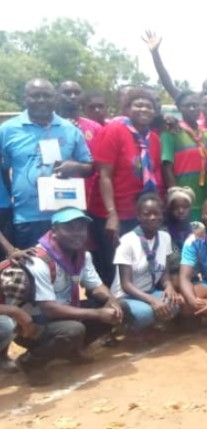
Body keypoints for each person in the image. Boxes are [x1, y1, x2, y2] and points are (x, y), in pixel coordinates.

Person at [15, 208, 125, 386]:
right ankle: (32, 362)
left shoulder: (83, 255)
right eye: (70, 228)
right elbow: (49, 309)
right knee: (73, 330)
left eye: (81, 228)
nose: (77, 234)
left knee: (118, 308)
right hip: (31, 323)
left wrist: (111, 301)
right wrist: (98, 314)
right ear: (54, 231)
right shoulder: (39, 260)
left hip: (64, 312)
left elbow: (96, 286)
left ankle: (71, 351)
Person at [0, 78, 93, 249]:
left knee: (70, 270)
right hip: (28, 217)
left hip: (67, 215)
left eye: (46, 95)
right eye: (36, 95)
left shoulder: (70, 129)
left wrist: (76, 167)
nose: (41, 100)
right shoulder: (7, 130)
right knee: (33, 270)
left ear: (55, 98)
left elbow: (89, 167)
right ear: (25, 98)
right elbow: (4, 169)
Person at [89, 88, 164, 284]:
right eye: (138, 105)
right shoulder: (113, 131)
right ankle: (110, 309)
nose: (144, 109)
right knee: (112, 266)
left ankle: (134, 307)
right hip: (114, 214)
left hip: (139, 214)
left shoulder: (153, 139)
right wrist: (111, 215)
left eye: (149, 106)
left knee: (136, 264)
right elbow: (104, 175)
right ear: (127, 109)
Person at [113, 193, 181, 332]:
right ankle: (125, 328)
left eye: (157, 213)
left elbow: (164, 273)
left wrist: (168, 286)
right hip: (126, 296)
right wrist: (152, 300)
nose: (153, 217)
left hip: (149, 291)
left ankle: (150, 326)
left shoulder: (164, 237)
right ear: (138, 216)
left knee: (175, 304)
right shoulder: (127, 241)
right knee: (145, 314)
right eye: (147, 214)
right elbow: (126, 285)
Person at [161, 91, 207, 220]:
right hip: (184, 203)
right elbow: (167, 167)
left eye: (195, 105)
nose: (192, 108)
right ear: (179, 108)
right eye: (187, 105)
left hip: (206, 200)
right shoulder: (170, 133)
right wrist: (177, 196)